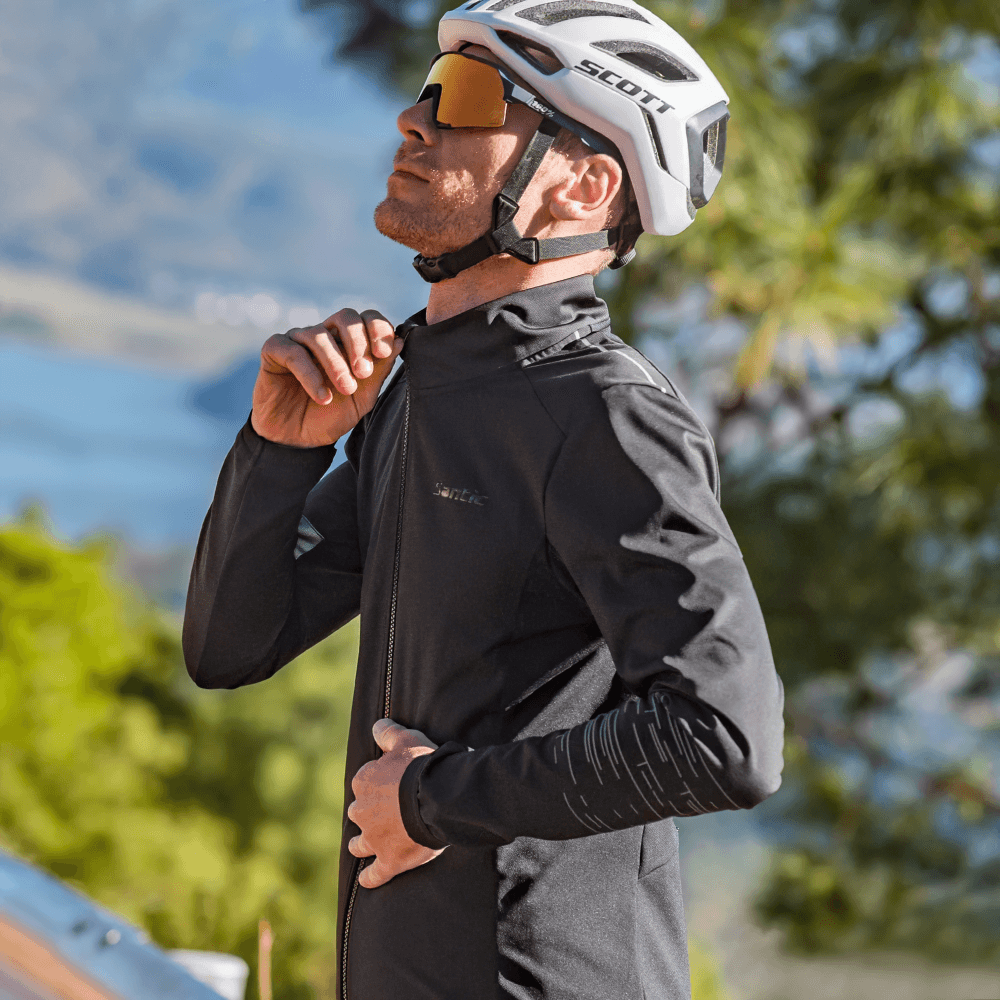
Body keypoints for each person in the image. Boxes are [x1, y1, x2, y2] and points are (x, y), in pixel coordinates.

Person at [182, 2, 785, 998]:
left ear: (583, 184)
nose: (413, 123)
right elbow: (232, 646)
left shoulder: (602, 414)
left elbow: (724, 738)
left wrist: (436, 799)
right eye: (427, 91)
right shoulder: (419, 387)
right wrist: (279, 452)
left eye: (467, 101)